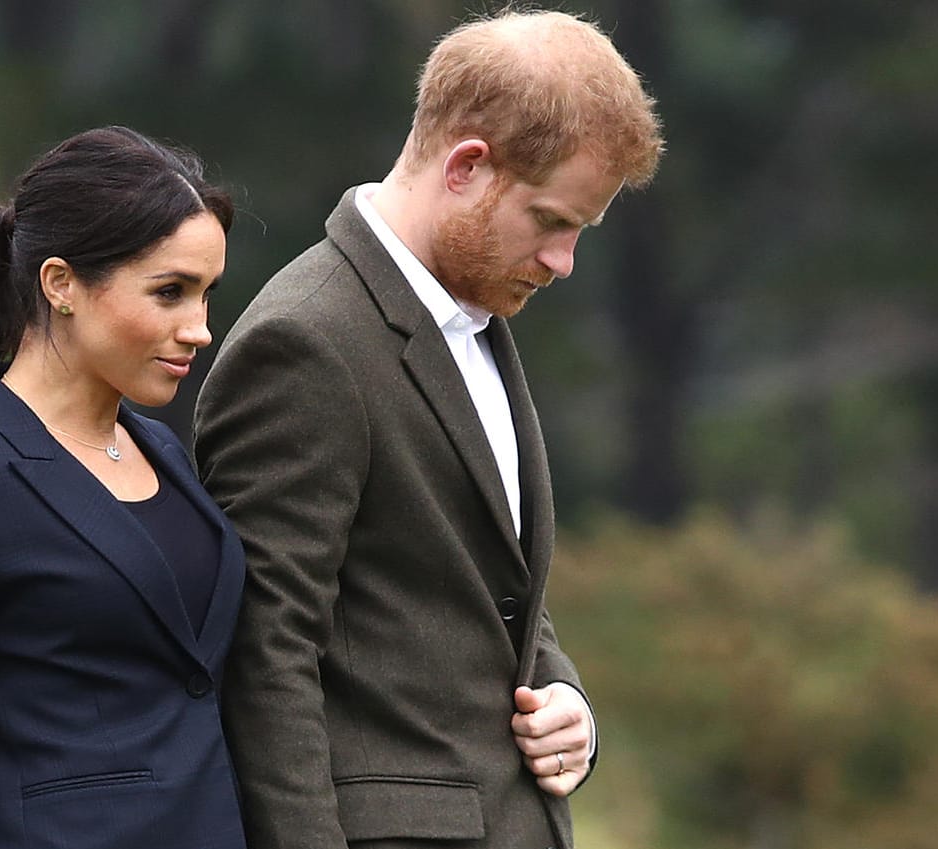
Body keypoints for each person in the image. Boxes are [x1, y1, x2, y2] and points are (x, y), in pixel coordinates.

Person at [193, 9, 663, 849]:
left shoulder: (471, 314)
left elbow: (487, 583)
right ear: (467, 165)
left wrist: (565, 702)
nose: (563, 263)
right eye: (553, 222)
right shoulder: (305, 342)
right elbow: (265, 655)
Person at [0, 126, 246, 849]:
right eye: (170, 292)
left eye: (206, 294)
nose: (199, 329)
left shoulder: (161, 451)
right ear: (60, 283)